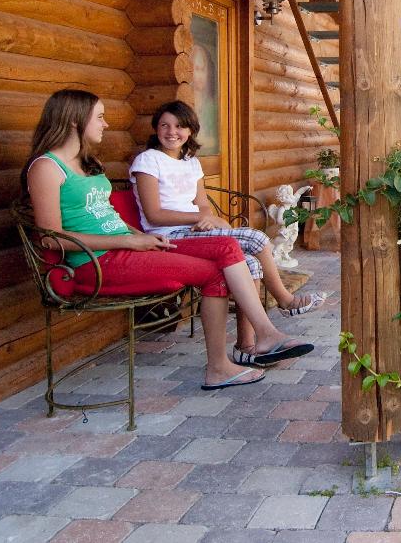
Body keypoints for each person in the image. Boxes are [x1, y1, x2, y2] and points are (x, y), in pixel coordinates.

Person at [22, 89, 314, 390]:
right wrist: (129, 242)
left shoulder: (86, 163)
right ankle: (254, 342)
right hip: (95, 263)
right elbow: (50, 239)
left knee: (221, 264)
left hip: (127, 249)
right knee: (226, 251)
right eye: (100, 117)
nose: (105, 124)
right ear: (74, 120)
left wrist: (138, 236)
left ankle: (232, 358)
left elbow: (107, 219)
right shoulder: (46, 168)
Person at [130, 100, 326, 364]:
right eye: (164, 125)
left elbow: (202, 205)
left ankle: (247, 347)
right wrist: (202, 217)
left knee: (251, 263)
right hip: (168, 236)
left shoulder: (191, 162)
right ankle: (285, 300)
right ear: (156, 128)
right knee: (257, 237)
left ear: (190, 130)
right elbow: (154, 214)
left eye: (179, 126)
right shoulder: (148, 160)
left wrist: (207, 218)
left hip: (194, 231)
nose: (171, 132)